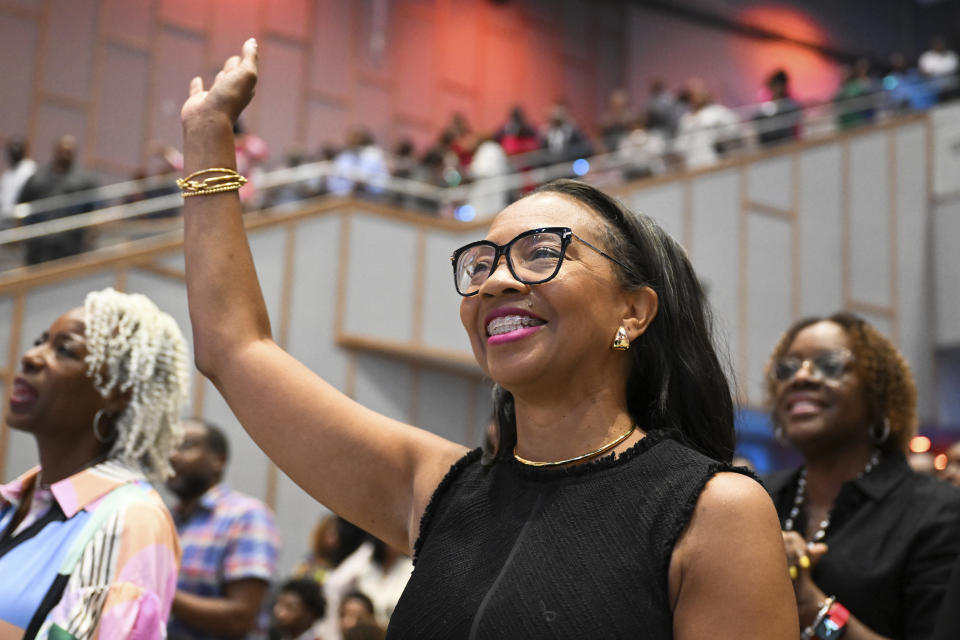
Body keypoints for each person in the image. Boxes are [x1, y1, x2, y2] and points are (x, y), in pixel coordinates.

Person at [177, 39, 797, 638]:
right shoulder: (443, 490)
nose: (497, 280)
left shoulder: (713, 512)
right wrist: (209, 138)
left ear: (632, 313)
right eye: (482, 262)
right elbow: (234, 351)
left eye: (540, 254)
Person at [0, 287, 190, 638]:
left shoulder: (132, 518)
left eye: (65, 350)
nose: (31, 357)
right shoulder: (13, 502)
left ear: (119, 394)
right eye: (41, 341)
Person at [763, 312, 960, 639]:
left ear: (878, 396)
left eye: (829, 365)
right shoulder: (758, 499)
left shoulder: (938, 512)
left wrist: (813, 606)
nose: (801, 377)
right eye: (787, 368)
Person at [166, 417, 281, 639]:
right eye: (168, 447)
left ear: (218, 459)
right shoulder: (166, 517)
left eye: (185, 446)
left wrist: (157, 591)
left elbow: (240, 618)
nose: (172, 456)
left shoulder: (246, 516)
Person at [17, 135, 99, 265]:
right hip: (38, 245)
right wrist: (19, 234)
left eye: (69, 152)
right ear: (56, 151)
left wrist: (91, 236)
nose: (66, 155)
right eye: (63, 151)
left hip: (71, 245)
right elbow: (21, 207)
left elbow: (96, 210)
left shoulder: (84, 180)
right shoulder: (38, 177)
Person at [0, 137, 37, 223]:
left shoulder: (31, 169)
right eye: (11, 149)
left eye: (17, 147)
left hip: (23, 219)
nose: (14, 151)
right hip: (6, 219)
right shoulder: (6, 176)